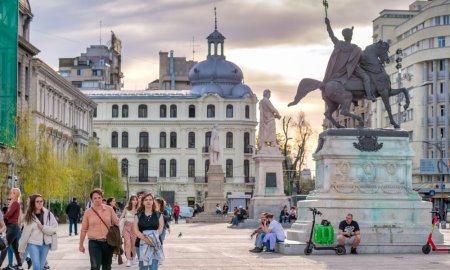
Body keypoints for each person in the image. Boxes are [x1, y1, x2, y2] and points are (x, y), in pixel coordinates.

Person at [323, 17, 375, 102]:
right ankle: (369, 95)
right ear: (351, 36)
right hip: (353, 68)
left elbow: (331, 35)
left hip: (342, 70)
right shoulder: (355, 48)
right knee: (366, 77)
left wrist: (328, 25)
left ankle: (355, 99)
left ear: (344, 36)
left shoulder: (339, 44)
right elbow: (362, 59)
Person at [79, 188, 119, 270]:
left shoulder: (109, 209)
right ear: (92, 200)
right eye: (95, 198)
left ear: (102, 198)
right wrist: (81, 244)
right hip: (94, 242)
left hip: (108, 242)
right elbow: (83, 230)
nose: (97, 200)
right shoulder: (88, 212)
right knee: (95, 266)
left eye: (99, 197)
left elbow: (117, 223)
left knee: (107, 266)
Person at [18, 194, 58, 270]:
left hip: (45, 244)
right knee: (36, 266)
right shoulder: (29, 216)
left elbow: (55, 228)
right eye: (37, 201)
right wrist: (21, 250)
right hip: (33, 244)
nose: (40, 203)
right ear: (33, 203)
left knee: (41, 267)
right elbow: (25, 234)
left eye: (41, 201)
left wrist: (43, 228)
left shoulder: (48, 214)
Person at [133, 193, 164, 270]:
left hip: (155, 243)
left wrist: (152, 239)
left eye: (150, 199)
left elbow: (160, 229)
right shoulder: (138, 215)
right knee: (143, 267)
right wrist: (145, 239)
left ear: (153, 201)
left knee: (153, 267)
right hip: (140, 244)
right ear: (143, 202)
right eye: (146, 200)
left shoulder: (158, 215)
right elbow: (135, 230)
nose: (148, 201)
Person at [0, 188, 23, 269]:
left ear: (16, 195)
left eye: (12, 193)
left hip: (12, 227)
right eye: (10, 193)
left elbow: (9, 214)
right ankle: (19, 265)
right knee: (15, 248)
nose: (10, 194)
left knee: (4, 246)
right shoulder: (15, 203)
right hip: (13, 227)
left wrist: (2, 217)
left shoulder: (15, 203)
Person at [120, 195, 138, 267]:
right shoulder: (126, 208)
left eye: (136, 200)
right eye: (133, 200)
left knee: (133, 245)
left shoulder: (139, 209)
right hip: (126, 228)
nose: (135, 201)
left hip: (135, 229)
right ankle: (128, 260)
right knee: (127, 244)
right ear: (130, 201)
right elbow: (121, 217)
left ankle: (134, 257)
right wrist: (117, 223)